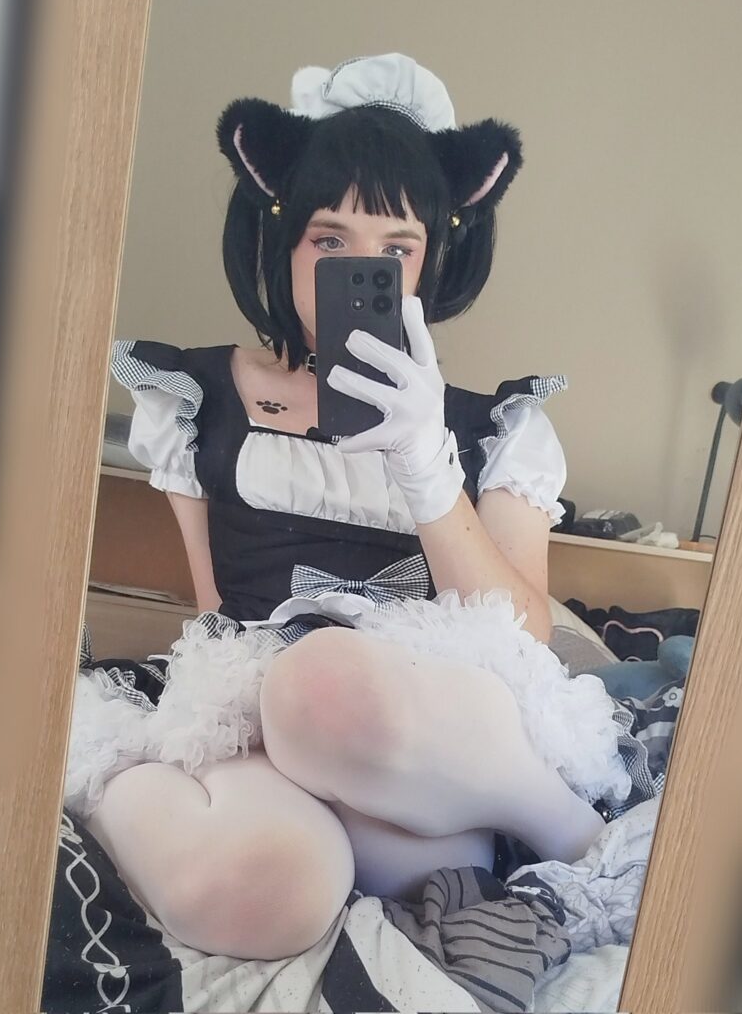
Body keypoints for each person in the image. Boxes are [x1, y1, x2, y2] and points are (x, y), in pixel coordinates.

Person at [66, 54, 633, 962]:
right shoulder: (195, 398)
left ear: (433, 257)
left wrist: (426, 462)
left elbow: (525, 638)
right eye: (329, 240)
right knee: (266, 885)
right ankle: (102, 775)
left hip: (422, 732)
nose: (362, 267)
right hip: (260, 709)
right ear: (282, 240)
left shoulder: (493, 428)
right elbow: (216, 615)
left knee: (328, 693)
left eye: (396, 248)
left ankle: (578, 839)